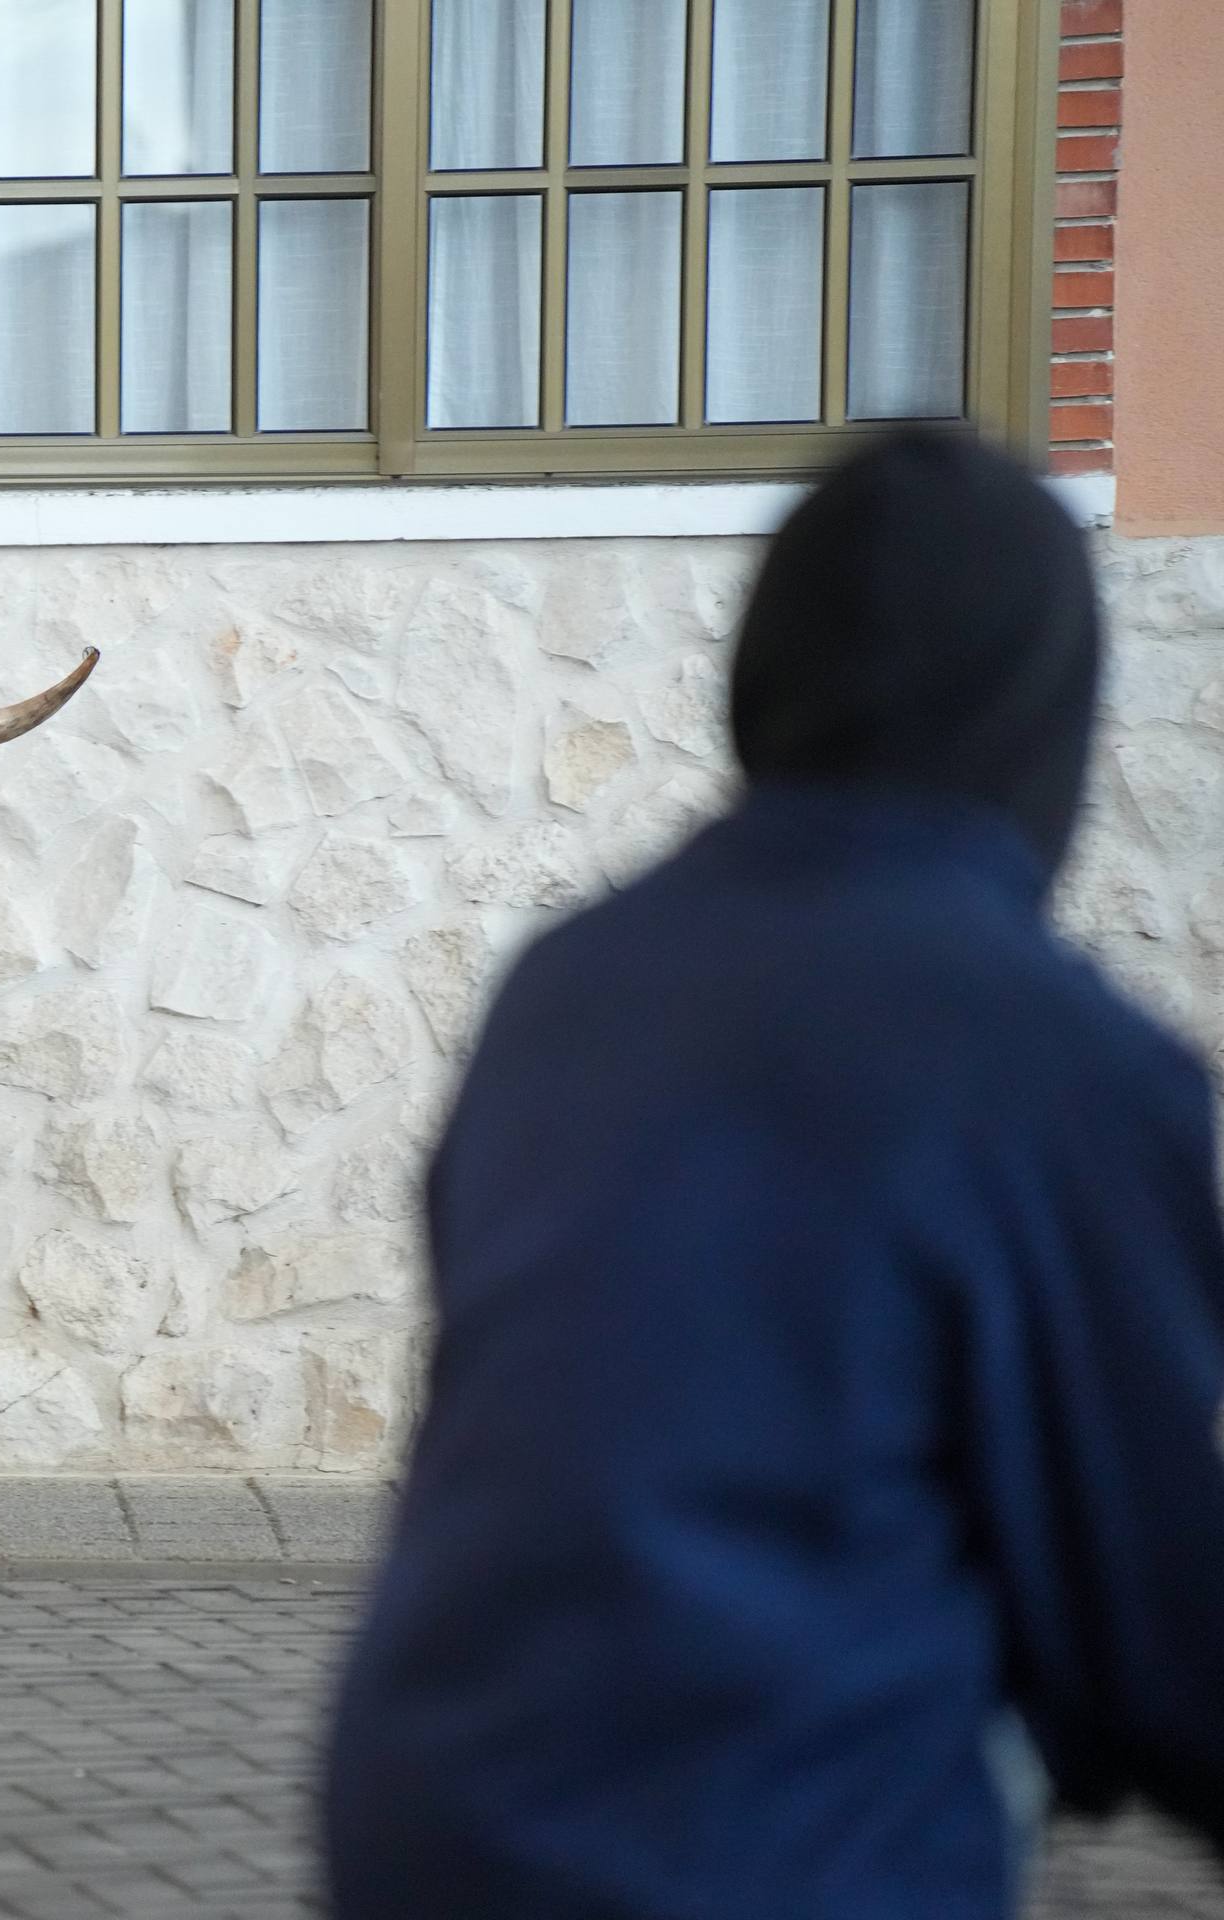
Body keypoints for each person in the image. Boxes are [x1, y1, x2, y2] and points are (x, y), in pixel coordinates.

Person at [323, 432, 1224, 1918]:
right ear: (1042, 715)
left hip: (424, 1818)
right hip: (759, 1856)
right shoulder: (1073, 1065)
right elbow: (1147, 1611)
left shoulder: (569, 984)